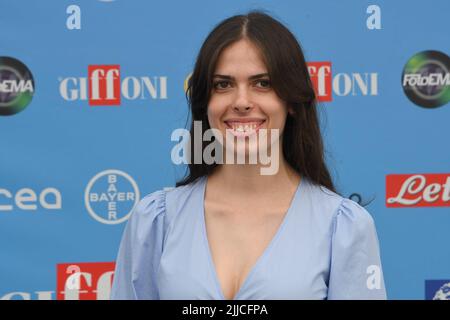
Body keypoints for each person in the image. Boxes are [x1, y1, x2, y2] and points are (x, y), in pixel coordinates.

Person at [110, 10, 387, 300]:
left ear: (291, 101)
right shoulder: (155, 221)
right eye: (223, 84)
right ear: (206, 102)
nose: (241, 102)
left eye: (262, 83)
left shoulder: (343, 226)